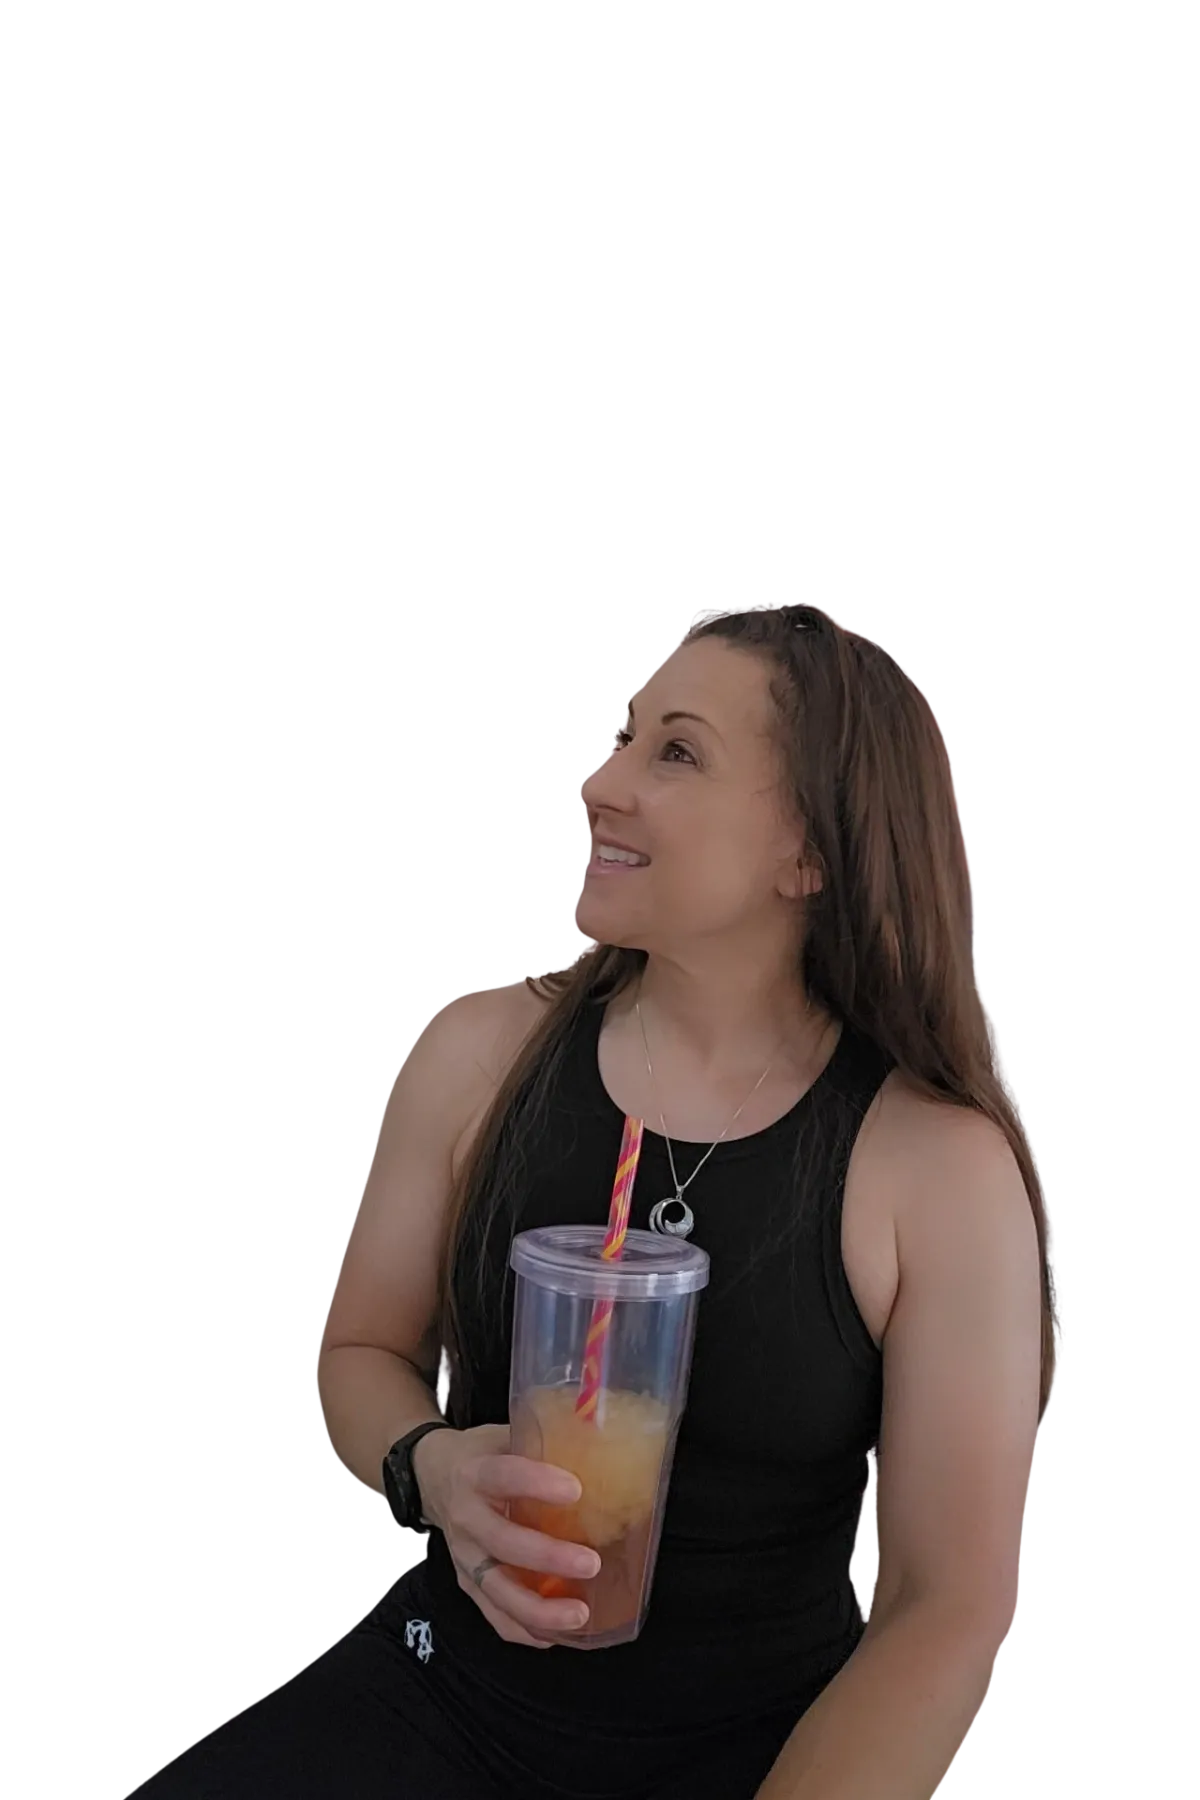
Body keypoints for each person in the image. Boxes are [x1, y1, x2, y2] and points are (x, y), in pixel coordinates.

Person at [125, 602, 1062, 1799]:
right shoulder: (477, 1052)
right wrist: (433, 1468)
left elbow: (947, 1603)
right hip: (438, 1679)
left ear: (808, 853)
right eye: (623, 736)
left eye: (675, 752)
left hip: (748, 1748)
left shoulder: (938, 1167)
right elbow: (360, 1352)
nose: (597, 784)